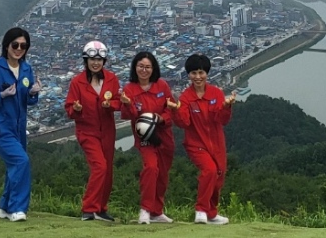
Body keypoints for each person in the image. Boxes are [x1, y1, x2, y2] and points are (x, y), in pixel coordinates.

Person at [0, 27, 42, 222]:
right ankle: (17, 208)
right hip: (1, 126)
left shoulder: (26, 69)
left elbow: (28, 100)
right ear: (7, 45)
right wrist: (2, 95)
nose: (19, 49)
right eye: (15, 45)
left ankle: (5, 207)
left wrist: (33, 92)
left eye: (23, 46)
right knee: (21, 161)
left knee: (14, 165)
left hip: (19, 125)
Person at [174, 53, 236, 225]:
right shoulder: (186, 97)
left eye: (201, 72)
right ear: (188, 75)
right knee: (209, 171)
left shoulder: (215, 93)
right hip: (196, 144)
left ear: (207, 73)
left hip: (217, 143)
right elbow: (184, 123)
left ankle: (212, 213)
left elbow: (222, 120)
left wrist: (226, 106)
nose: (198, 77)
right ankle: (201, 210)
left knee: (218, 177)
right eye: (193, 73)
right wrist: (176, 110)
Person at [120, 50, 180, 224]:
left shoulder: (162, 85)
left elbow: (170, 109)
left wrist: (161, 118)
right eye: (140, 66)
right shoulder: (129, 89)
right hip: (145, 137)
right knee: (151, 169)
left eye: (147, 67)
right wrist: (128, 104)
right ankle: (145, 209)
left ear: (153, 69)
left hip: (164, 134)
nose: (144, 70)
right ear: (135, 67)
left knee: (162, 174)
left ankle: (157, 211)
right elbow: (127, 115)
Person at [64, 39, 120, 221]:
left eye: (99, 60)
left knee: (108, 170)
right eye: (91, 59)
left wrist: (110, 104)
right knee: (99, 166)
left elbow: (118, 102)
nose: (95, 63)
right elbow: (69, 109)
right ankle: (88, 208)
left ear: (104, 61)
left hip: (108, 131)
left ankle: (102, 208)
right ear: (86, 60)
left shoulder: (111, 79)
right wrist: (77, 108)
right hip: (87, 132)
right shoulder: (77, 82)